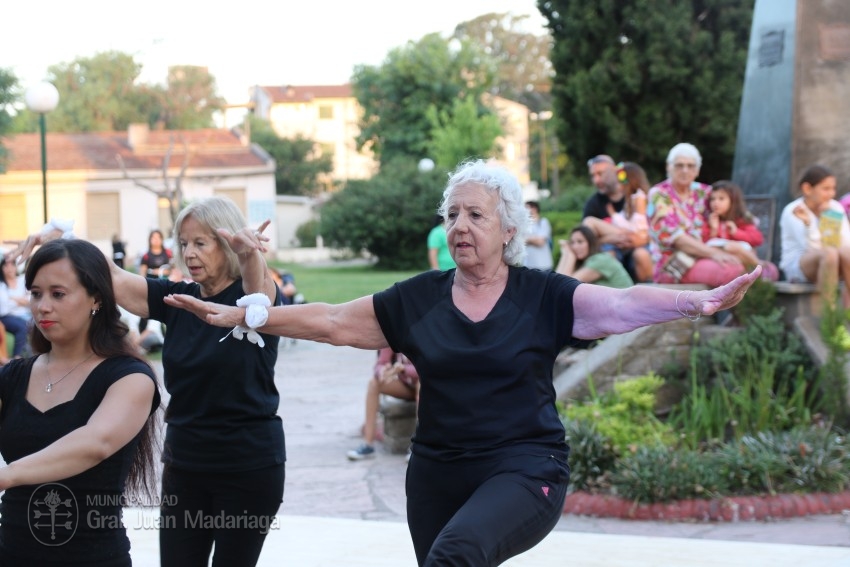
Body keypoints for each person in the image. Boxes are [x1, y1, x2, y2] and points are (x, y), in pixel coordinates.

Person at [164, 159, 762, 566]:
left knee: (456, 557)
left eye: (475, 215)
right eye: (451, 215)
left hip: (526, 468)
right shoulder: (420, 298)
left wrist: (695, 301)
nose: (459, 226)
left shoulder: (544, 295)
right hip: (437, 474)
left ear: (508, 230)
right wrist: (252, 315)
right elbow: (332, 320)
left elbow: (623, 302)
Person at [10, 198, 283, 567]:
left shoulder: (252, 302)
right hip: (185, 463)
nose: (189, 252)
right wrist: (66, 235)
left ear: (227, 242)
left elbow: (260, 296)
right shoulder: (178, 300)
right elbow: (110, 277)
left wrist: (251, 255)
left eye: (200, 243)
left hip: (247, 466)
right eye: (183, 243)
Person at [0, 238, 160, 565]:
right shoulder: (14, 376)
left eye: (58, 294)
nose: (43, 306)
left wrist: (9, 475)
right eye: (35, 293)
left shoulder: (130, 377)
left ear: (96, 299)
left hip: (94, 558)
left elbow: (95, 442)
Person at [648, 143, 746, 286]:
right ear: (668, 167)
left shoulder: (704, 192)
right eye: (679, 165)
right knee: (732, 270)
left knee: (751, 264)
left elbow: (732, 213)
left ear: (697, 170)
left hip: (704, 255)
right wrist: (714, 253)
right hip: (675, 263)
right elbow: (677, 239)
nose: (685, 170)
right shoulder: (659, 194)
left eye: (691, 166)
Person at [779, 164, 850, 308]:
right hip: (801, 265)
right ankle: (829, 314)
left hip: (834, 260)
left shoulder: (835, 207)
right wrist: (811, 223)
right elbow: (812, 248)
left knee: (845, 252)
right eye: (826, 189)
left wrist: (830, 218)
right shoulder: (794, 211)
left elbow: (845, 243)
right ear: (807, 189)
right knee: (830, 254)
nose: (831, 194)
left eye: (833, 188)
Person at [582, 155, 651, 282]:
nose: (596, 180)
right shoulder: (593, 204)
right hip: (612, 251)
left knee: (641, 255)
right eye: (592, 175)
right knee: (607, 255)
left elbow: (655, 227)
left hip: (640, 252)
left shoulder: (636, 197)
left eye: (600, 174)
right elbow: (584, 238)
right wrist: (610, 238)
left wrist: (642, 239)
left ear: (615, 172)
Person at [347, 347, 419, 461]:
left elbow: (429, 367)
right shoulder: (393, 334)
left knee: (421, 385)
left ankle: (418, 447)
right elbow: (380, 364)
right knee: (374, 384)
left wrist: (404, 368)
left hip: (425, 384)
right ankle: (368, 445)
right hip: (406, 386)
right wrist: (383, 370)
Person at [703, 180, 779, 281]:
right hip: (720, 255)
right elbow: (705, 242)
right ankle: (759, 267)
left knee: (734, 247)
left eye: (721, 199)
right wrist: (714, 229)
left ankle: (758, 268)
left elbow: (757, 239)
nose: (716, 203)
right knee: (731, 248)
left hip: (739, 253)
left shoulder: (741, 219)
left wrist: (736, 232)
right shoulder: (708, 220)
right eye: (713, 199)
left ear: (733, 200)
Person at [556, 226, 634, 288]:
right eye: (572, 243)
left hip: (625, 305)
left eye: (580, 242)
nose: (575, 247)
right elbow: (555, 282)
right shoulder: (589, 261)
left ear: (590, 243)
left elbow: (565, 286)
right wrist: (565, 254)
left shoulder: (600, 260)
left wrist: (570, 255)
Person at [138, 229, 173, 336]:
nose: (156, 240)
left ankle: (165, 334)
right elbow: (142, 274)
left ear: (162, 239)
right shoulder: (146, 256)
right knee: (149, 311)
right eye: (153, 238)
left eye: (158, 238)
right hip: (151, 287)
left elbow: (173, 269)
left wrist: (159, 271)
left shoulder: (168, 253)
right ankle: (144, 334)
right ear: (150, 240)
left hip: (166, 286)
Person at [522, 201, 554, 270]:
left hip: (544, 265)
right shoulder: (524, 224)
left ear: (534, 209)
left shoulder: (543, 222)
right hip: (528, 265)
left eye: (526, 208)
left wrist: (527, 239)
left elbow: (540, 242)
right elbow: (520, 241)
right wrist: (534, 239)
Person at [2, 253, 32, 321]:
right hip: (10, 316)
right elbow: (4, 306)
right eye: (6, 266)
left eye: (12, 265)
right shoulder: (1, 285)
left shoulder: (23, 279)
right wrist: (23, 300)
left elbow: (31, 299)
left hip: (28, 314)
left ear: (16, 267)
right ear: (2, 268)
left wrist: (12, 298)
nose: (10, 269)